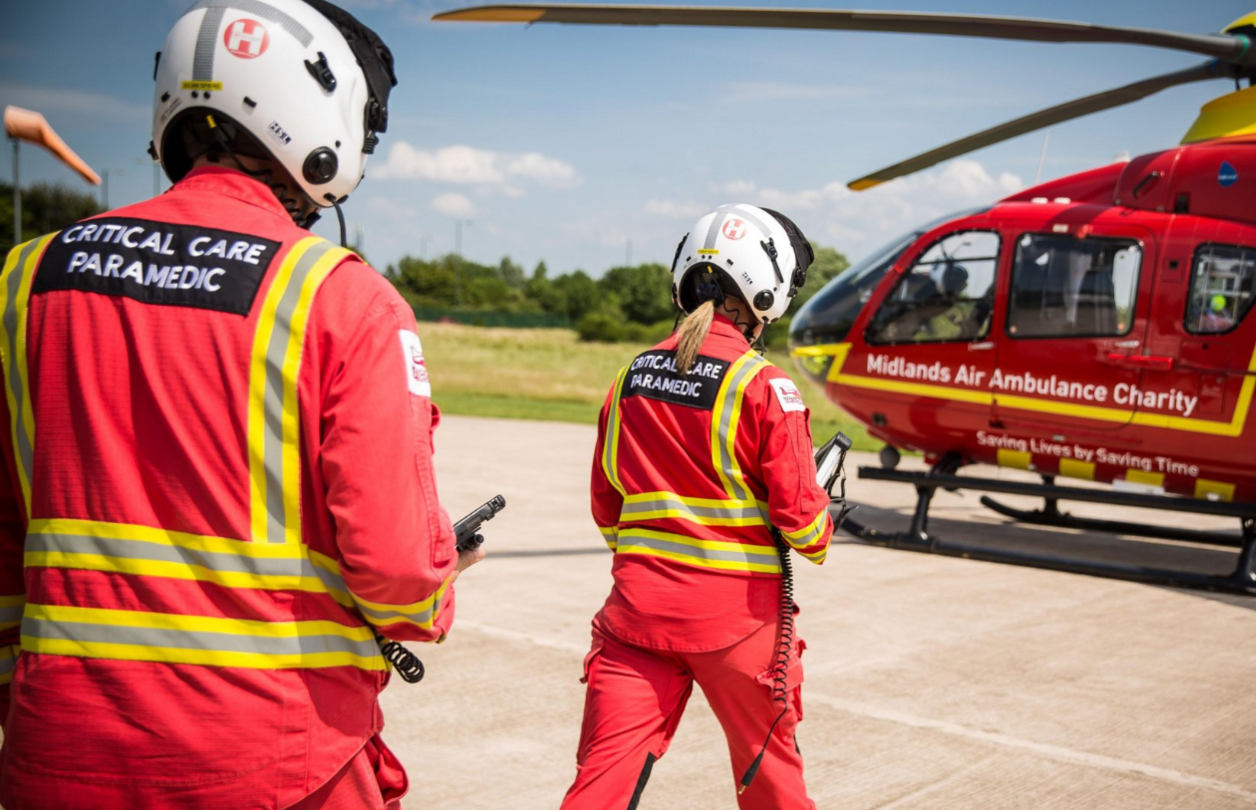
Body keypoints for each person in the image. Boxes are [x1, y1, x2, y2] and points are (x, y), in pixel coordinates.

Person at [0, 2, 481, 807]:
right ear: (317, 117)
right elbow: (398, 574)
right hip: (272, 758)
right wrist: (440, 579)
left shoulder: (25, 277)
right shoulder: (341, 299)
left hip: (57, 748)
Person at [562, 204, 835, 809]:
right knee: (773, 789)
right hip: (739, 630)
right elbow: (807, 532)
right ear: (766, 292)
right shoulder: (766, 387)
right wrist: (825, 505)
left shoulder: (630, 376)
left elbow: (608, 506)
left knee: (599, 786)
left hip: (634, 619)